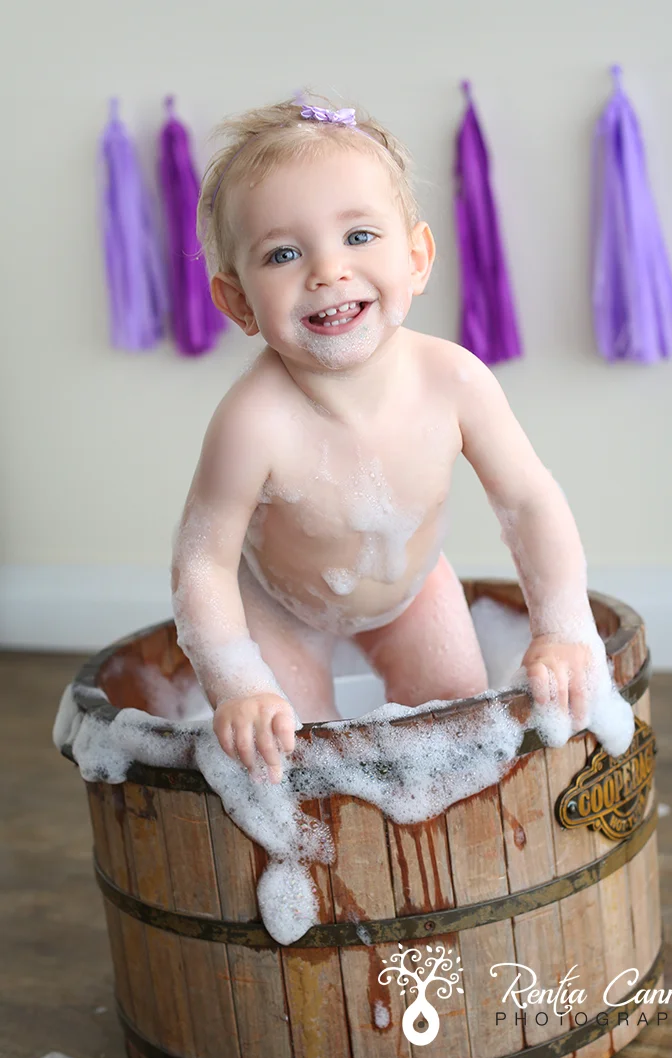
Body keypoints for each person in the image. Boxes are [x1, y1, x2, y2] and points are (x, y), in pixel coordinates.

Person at [171, 93, 602, 786]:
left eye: (359, 236)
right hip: (282, 607)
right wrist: (238, 683)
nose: (327, 271)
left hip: (411, 591)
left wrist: (561, 630)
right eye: (284, 253)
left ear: (417, 257)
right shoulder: (252, 421)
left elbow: (529, 502)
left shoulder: (454, 381)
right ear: (239, 302)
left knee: (458, 727)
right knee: (296, 756)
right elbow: (203, 563)